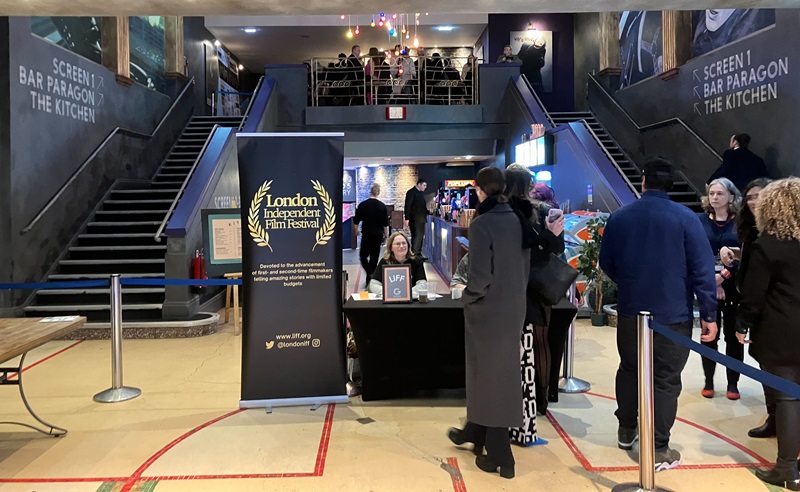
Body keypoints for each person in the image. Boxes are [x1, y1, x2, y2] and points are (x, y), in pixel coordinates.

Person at [599, 157, 718, 471]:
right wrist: (709, 313)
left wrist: (629, 283)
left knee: (629, 369)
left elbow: (606, 262)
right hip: (673, 313)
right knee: (665, 379)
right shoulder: (686, 219)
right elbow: (702, 270)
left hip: (630, 309)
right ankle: (659, 446)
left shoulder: (620, 217)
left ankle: (626, 429)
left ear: (643, 182)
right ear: (672, 185)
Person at [447, 167, 530, 480]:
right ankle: (477, 433)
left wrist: (466, 295)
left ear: (480, 190)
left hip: (488, 312)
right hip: (513, 310)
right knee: (498, 375)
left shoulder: (483, 224)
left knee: (489, 377)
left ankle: (500, 454)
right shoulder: (517, 219)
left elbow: (480, 276)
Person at [735, 178, 800, 491]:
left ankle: (787, 467)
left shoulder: (768, 244)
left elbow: (753, 294)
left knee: (787, 396)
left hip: (780, 332)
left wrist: (741, 324)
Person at [504, 164, 565, 436]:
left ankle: (536, 398)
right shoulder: (529, 211)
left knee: (534, 342)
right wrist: (550, 235)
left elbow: (550, 246)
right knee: (536, 341)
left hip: (527, 283)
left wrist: (550, 235)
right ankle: (539, 399)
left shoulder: (520, 211)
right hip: (534, 282)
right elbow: (555, 247)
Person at [720, 178, 775, 437]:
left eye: (760, 196)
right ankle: (774, 418)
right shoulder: (751, 229)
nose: (754, 201)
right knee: (766, 364)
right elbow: (755, 260)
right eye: (750, 197)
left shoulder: (778, 231)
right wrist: (735, 252)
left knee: (779, 368)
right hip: (755, 303)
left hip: (774, 305)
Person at [696, 178, 743, 400]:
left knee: (733, 336)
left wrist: (723, 277)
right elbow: (695, 252)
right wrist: (711, 281)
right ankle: (708, 381)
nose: (715, 197)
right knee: (708, 335)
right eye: (712, 193)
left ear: (731, 197)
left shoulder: (740, 223)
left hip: (734, 285)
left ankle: (733, 383)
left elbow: (745, 254)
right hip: (707, 286)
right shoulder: (699, 221)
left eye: (720, 194)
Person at [367, 231, 427, 296]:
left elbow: (422, 284)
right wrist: (387, 293)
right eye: (398, 244)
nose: (401, 246)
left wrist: (407, 293)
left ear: (408, 246)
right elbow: (373, 284)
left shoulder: (416, 261)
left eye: (404, 243)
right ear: (391, 248)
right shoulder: (385, 261)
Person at [353, 183, 389, 279]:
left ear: (370, 192)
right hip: (378, 235)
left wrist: (356, 231)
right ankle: (371, 276)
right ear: (378, 193)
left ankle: (369, 273)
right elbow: (385, 224)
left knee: (363, 256)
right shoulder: (382, 206)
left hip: (367, 234)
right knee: (374, 258)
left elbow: (356, 221)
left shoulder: (362, 205)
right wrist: (386, 237)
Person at [404, 179, 429, 259]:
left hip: (421, 218)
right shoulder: (411, 192)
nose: (425, 187)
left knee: (420, 236)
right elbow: (407, 205)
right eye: (424, 185)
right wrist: (407, 218)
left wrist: (428, 211)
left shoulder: (420, 193)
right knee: (416, 236)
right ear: (419, 184)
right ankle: (414, 254)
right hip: (415, 218)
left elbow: (422, 206)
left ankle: (418, 254)